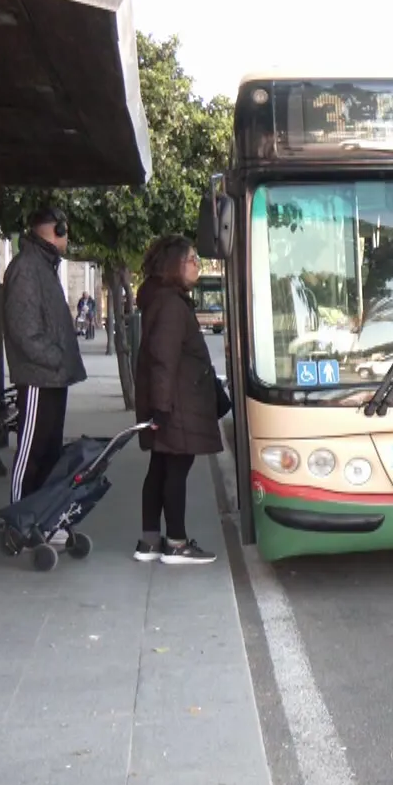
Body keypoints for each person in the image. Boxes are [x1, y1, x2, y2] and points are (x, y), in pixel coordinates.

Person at [132, 234, 221, 565]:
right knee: (176, 469)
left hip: (171, 401)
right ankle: (177, 543)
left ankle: (150, 541)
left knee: (160, 468)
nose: (196, 265)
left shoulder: (164, 299)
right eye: (191, 260)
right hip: (176, 405)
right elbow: (163, 359)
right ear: (173, 266)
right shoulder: (171, 305)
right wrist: (163, 408)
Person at [3, 207, 87, 524]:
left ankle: (43, 517)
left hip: (53, 376)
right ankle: (20, 520)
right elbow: (24, 330)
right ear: (57, 230)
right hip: (39, 376)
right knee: (32, 451)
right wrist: (55, 357)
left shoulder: (43, 266)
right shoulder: (27, 268)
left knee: (50, 450)